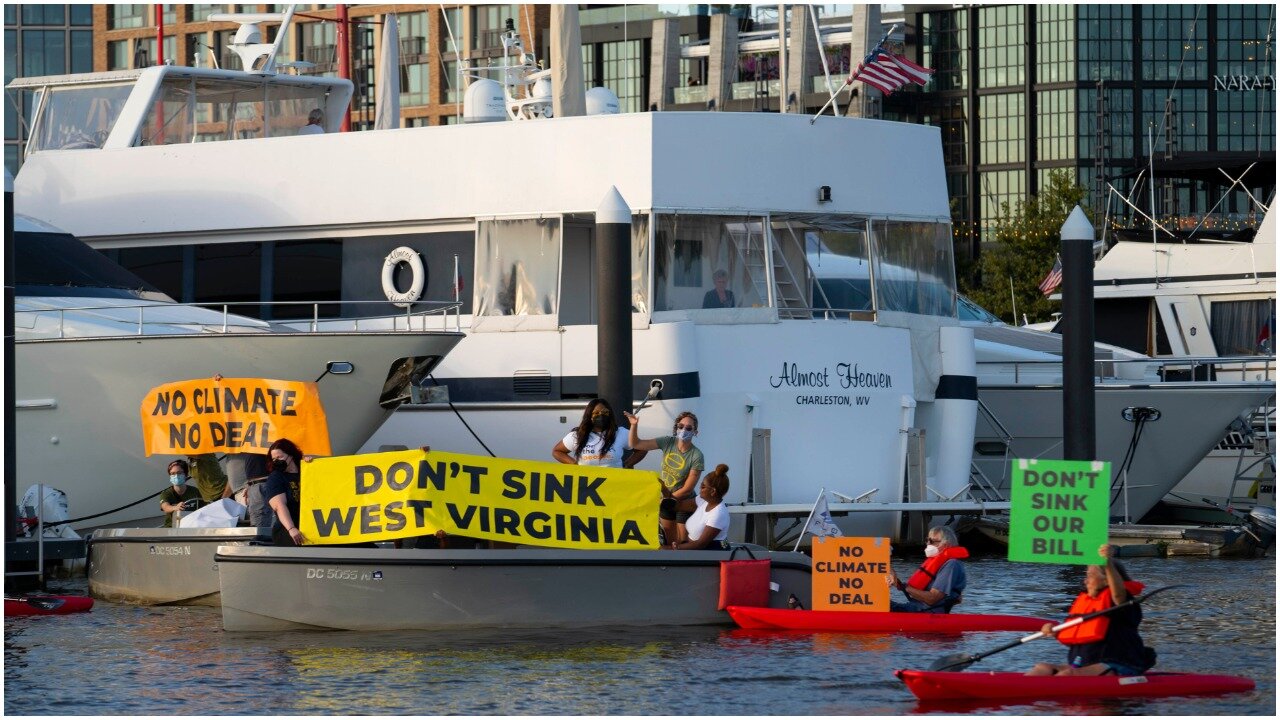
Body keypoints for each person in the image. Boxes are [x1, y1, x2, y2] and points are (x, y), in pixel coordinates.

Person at [1027, 544, 1155, 677]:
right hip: (1084, 664)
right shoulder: (1087, 603)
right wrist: (1054, 631)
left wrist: (1107, 562)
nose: (1085, 581)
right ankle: (1018, 689)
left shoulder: (1122, 602)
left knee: (1068, 674)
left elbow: (1118, 593)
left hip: (1118, 665)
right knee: (1043, 667)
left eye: (1090, 576)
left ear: (1106, 580)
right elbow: (1080, 634)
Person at [622, 410, 705, 544]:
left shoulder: (697, 455)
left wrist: (667, 499)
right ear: (676, 428)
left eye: (689, 428)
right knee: (669, 541)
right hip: (666, 500)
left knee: (683, 542)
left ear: (695, 432)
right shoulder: (668, 442)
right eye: (681, 426)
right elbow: (635, 444)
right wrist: (634, 425)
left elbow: (688, 489)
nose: (684, 430)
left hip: (683, 502)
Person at [886, 525, 968, 613]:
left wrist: (904, 587)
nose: (928, 544)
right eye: (927, 540)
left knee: (878, 607)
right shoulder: (938, 562)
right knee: (877, 601)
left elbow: (932, 598)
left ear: (946, 545)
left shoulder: (951, 565)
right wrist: (895, 580)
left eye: (932, 541)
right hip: (915, 608)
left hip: (928, 613)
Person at [667, 464, 730, 550]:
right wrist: (664, 490)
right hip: (694, 549)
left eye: (703, 486)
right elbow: (679, 506)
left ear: (712, 491)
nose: (699, 488)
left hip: (709, 555)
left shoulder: (719, 514)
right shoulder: (703, 500)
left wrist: (673, 548)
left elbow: (700, 545)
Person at [552, 399, 631, 468]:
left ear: (610, 414)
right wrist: (575, 465)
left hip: (615, 481)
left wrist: (627, 464)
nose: (601, 415)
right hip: (587, 482)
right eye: (596, 413)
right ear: (589, 415)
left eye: (605, 412)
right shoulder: (577, 435)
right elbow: (557, 451)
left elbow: (641, 449)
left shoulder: (621, 433)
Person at [263, 438, 305, 546]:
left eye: (279, 457)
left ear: (291, 455)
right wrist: (291, 528)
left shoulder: (305, 472)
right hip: (288, 531)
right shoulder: (276, 477)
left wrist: (312, 464)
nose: (276, 461)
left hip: (310, 527)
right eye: (274, 459)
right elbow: (279, 505)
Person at [159, 459, 204, 528]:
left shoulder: (195, 491)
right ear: (170, 476)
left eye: (179, 473)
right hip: (171, 528)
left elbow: (204, 509)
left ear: (186, 475)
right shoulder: (166, 493)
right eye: (173, 473)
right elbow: (165, 507)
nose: (176, 476)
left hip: (191, 527)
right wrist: (175, 507)